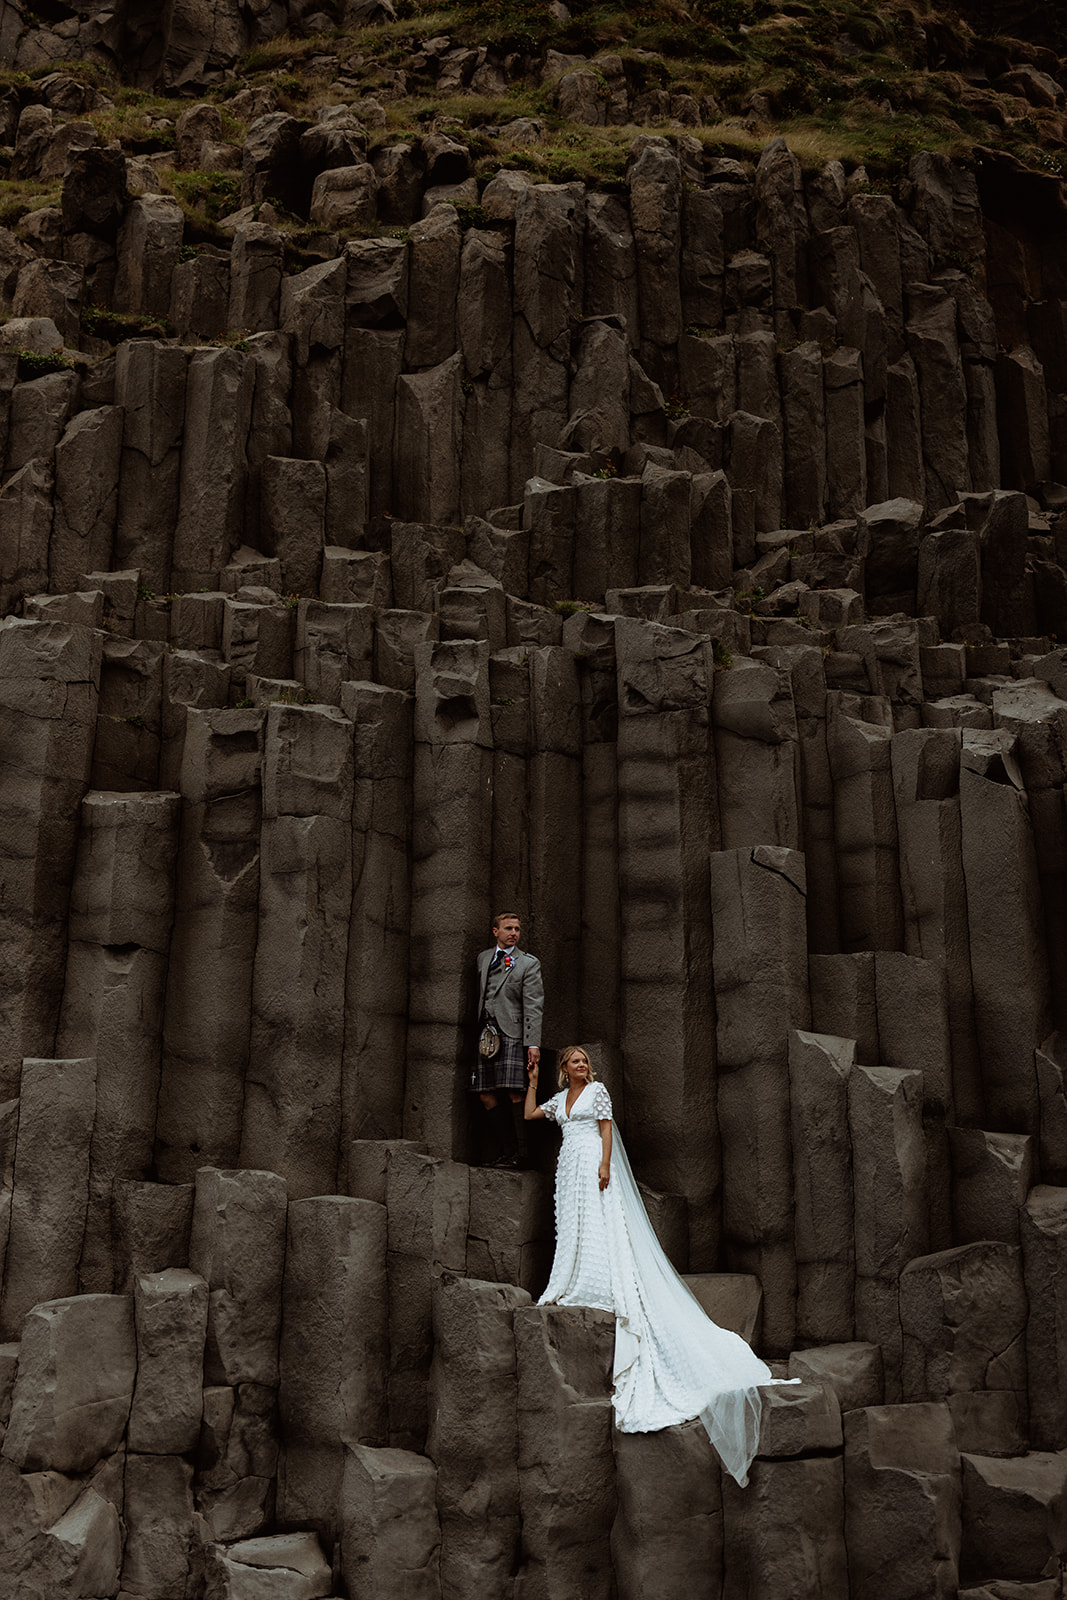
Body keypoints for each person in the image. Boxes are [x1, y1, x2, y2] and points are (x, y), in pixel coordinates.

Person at [525, 1044, 783, 1487]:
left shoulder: (598, 1092)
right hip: (568, 1165)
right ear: (565, 1070)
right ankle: (568, 1279)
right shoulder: (560, 1100)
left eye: (585, 1060)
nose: (582, 1065)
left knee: (599, 1224)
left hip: (591, 1161)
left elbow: (606, 1130)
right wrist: (531, 1082)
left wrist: (606, 1164)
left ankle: (601, 1282)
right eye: (575, 1061)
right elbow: (531, 1116)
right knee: (572, 1223)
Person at [472, 912, 543, 1168]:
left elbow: (533, 1006)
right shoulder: (482, 959)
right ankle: (506, 1152)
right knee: (485, 1094)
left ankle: (522, 1157)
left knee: (515, 1092)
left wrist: (532, 1043)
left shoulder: (527, 963)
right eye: (508, 928)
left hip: (512, 1033)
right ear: (495, 931)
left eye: (517, 929)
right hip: (485, 1035)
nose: (514, 932)